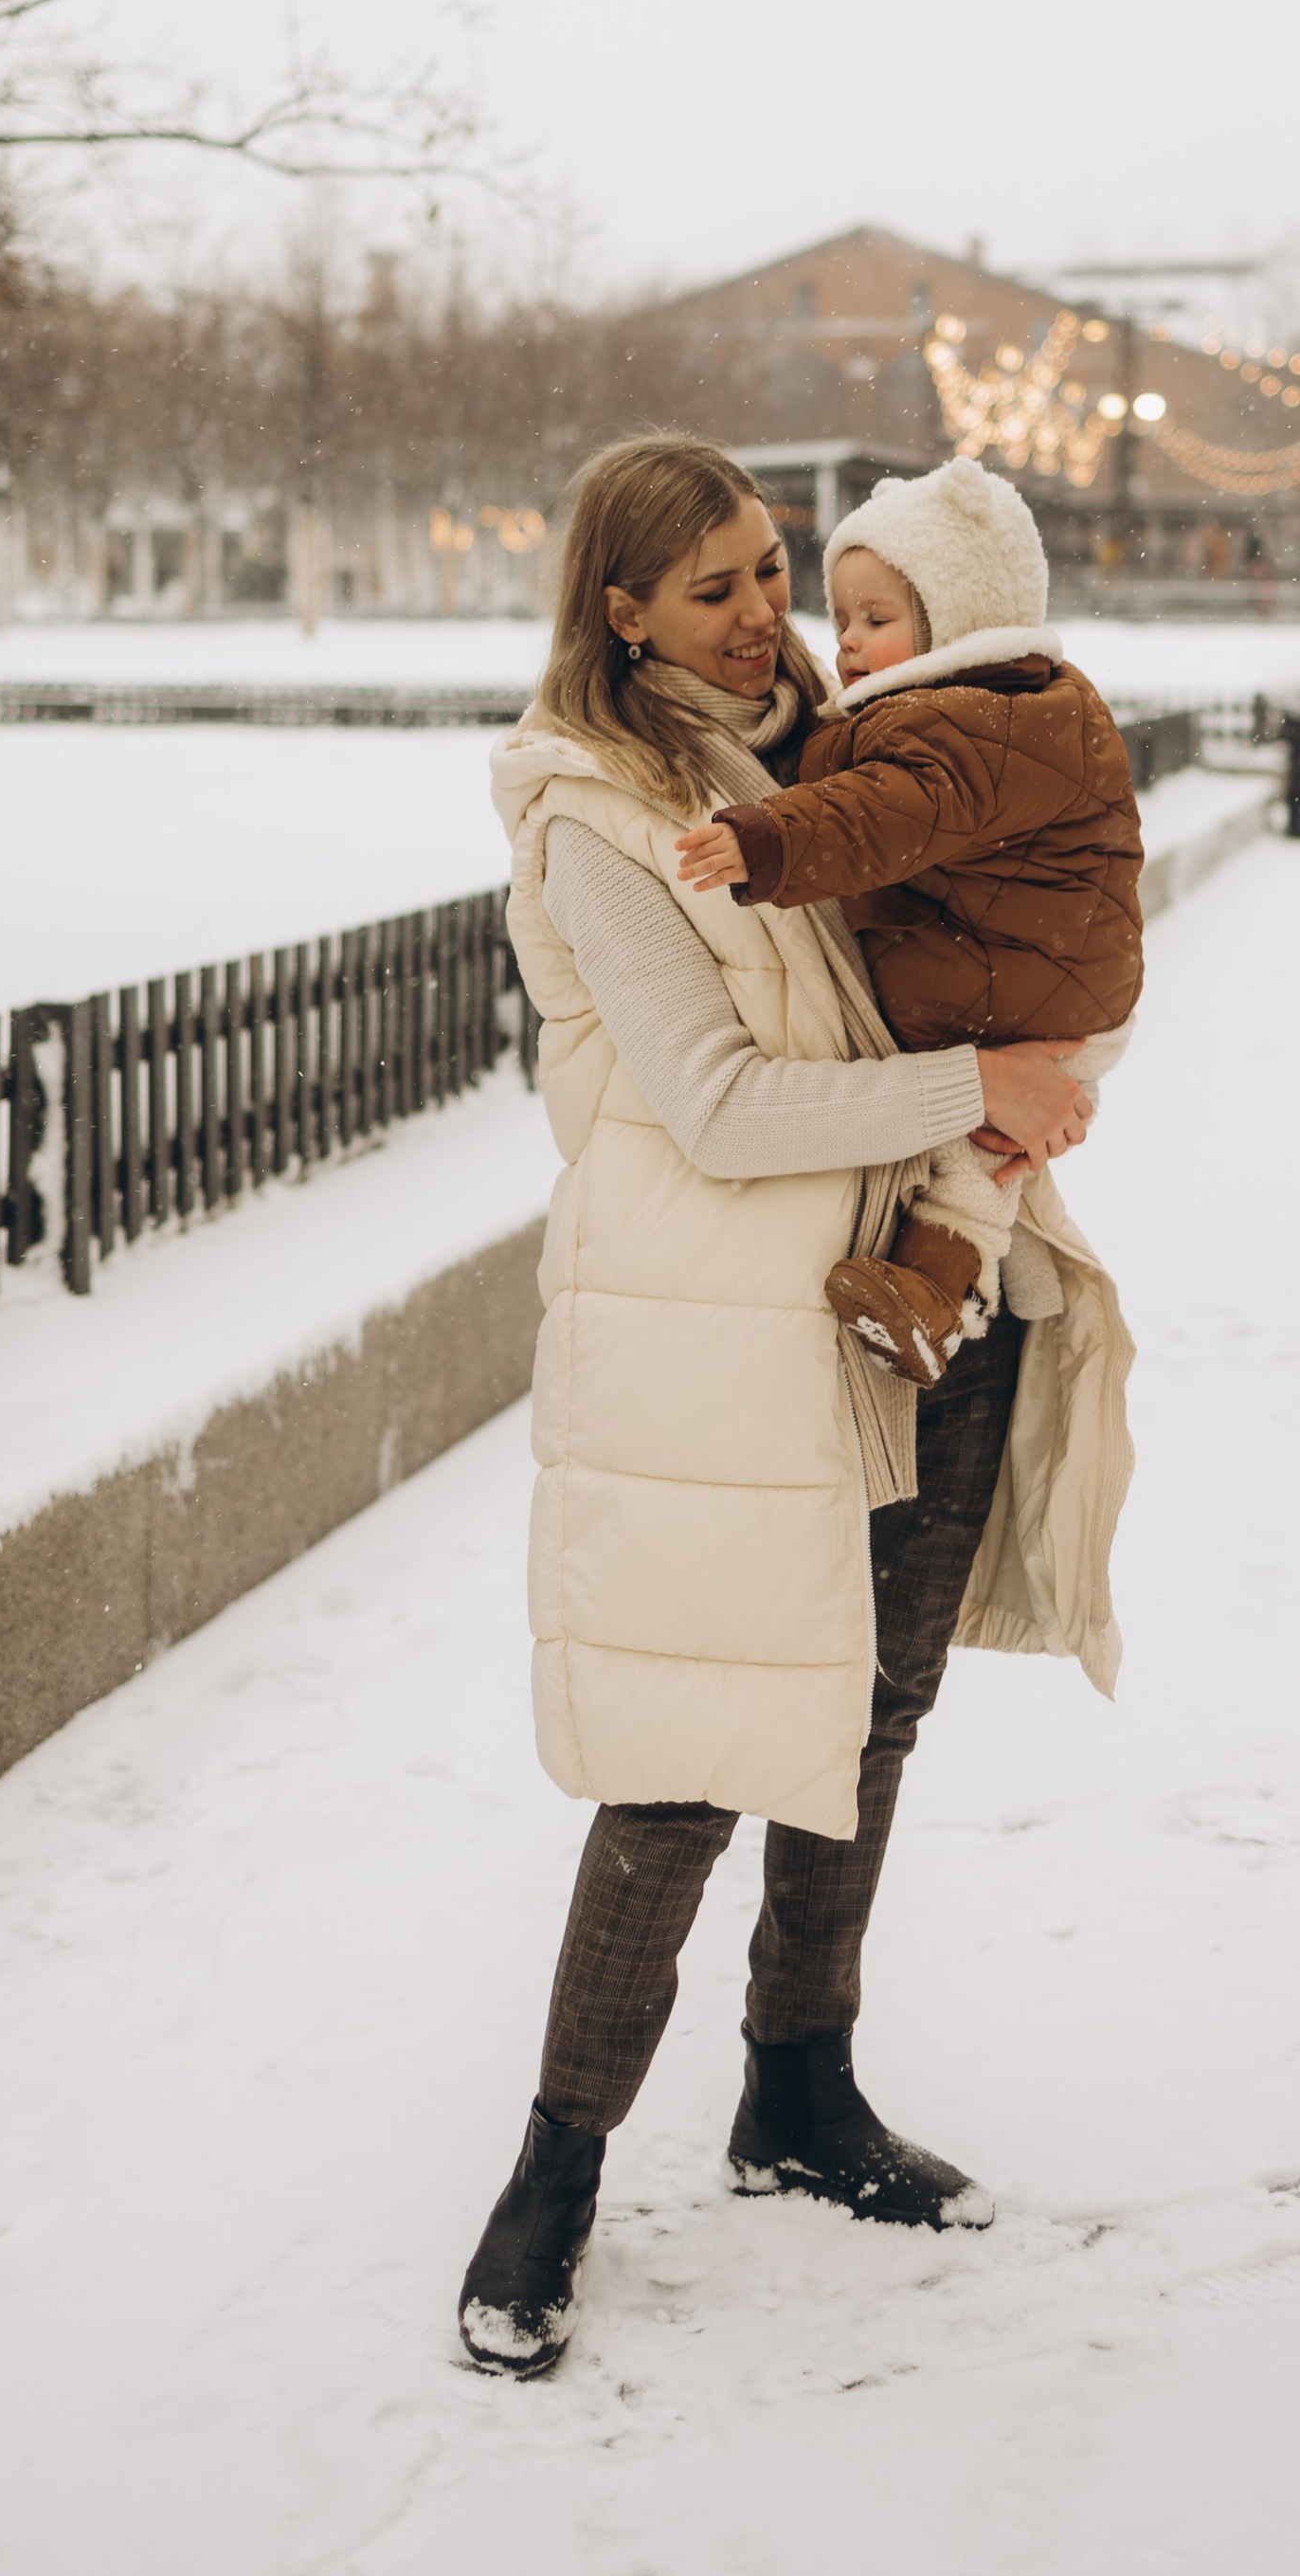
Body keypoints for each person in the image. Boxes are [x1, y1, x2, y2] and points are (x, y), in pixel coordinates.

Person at [460, 433, 1136, 2380]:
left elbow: (1001, 917)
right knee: (684, 1754)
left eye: (771, 569)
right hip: (721, 1331)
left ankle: (797, 2086)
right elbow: (717, 1106)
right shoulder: (596, 812)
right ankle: (556, 2161)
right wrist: (980, 1089)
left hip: (922, 1304)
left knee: (868, 1713)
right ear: (621, 615)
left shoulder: (857, 729)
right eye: (715, 591)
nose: (764, 616)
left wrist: (1011, 1077)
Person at [674, 455, 1144, 1387]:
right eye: (842, 616)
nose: (845, 641)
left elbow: (886, 814)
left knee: (967, 1163)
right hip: (1035, 976)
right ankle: (955, 1292)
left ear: (958, 620)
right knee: (976, 1159)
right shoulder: (988, 708)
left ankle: (933, 1301)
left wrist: (768, 843)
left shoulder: (970, 727)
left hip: (1029, 994)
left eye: (876, 620)